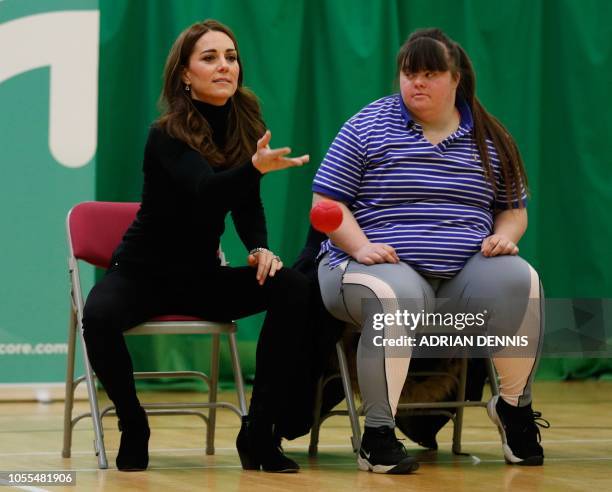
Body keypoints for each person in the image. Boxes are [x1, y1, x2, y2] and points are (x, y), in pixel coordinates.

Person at [313, 28, 547, 474]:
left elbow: (514, 210)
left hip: (461, 273)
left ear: (456, 78)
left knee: (525, 281)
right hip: (369, 265)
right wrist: (359, 245)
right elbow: (327, 206)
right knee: (392, 296)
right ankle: (377, 435)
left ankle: (514, 410)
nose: (416, 82)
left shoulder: (492, 137)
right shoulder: (366, 126)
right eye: (408, 73)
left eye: (429, 73)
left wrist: (506, 235)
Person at [82, 19, 310, 473]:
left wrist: (260, 247)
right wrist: (255, 169)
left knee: (295, 288)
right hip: (142, 274)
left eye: (231, 56)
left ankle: (259, 431)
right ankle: (133, 422)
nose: (225, 65)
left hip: (201, 278)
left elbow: (246, 205)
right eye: (209, 58)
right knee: (98, 316)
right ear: (185, 74)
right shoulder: (166, 132)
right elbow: (206, 191)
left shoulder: (247, 124)